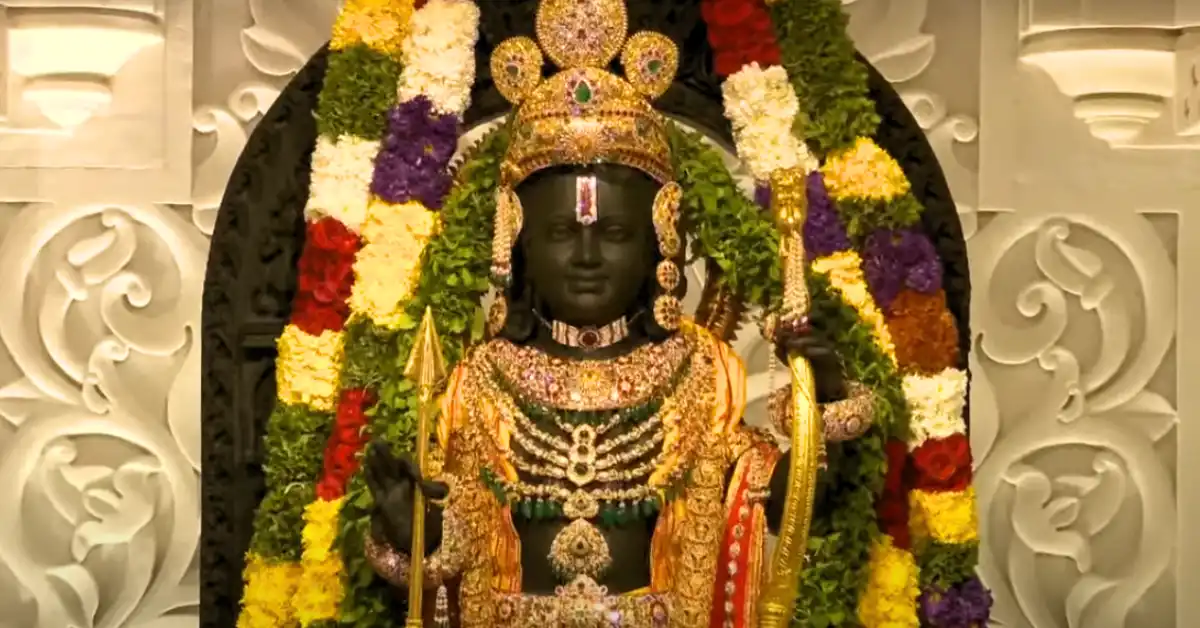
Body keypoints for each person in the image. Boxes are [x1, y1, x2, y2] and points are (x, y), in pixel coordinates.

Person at [359, 3, 876, 625]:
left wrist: (825, 411)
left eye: (613, 232)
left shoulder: (702, 374)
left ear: (659, 236)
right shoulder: (478, 383)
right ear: (513, 240)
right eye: (558, 231)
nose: (584, 256)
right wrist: (415, 527)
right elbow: (453, 559)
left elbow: (775, 507)